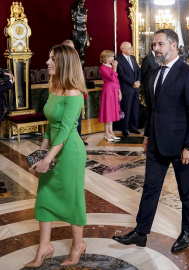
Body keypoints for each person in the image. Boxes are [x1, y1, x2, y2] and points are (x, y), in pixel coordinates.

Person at [112, 29, 189, 253]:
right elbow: (152, 110)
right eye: (154, 45)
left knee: (187, 192)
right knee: (150, 189)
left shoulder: (188, 74)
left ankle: (187, 230)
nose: (155, 49)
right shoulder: (154, 72)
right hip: (155, 143)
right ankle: (141, 232)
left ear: (173, 46)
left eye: (160, 44)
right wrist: (146, 135)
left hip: (181, 146)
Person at [24, 44, 88, 268]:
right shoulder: (54, 87)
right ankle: (45, 247)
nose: (48, 62)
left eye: (53, 59)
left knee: (72, 199)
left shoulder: (74, 93)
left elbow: (65, 130)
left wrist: (48, 159)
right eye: (49, 58)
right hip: (52, 151)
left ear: (65, 63)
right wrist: (40, 155)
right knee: (44, 196)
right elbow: (51, 126)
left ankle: (78, 245)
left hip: (70, 153)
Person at [62, 39, 88, 146]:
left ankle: (79, 137)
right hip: (67, 95)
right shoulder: (61, 63)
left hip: (78, 93)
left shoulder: (76, 61)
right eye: (71, 48)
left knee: (78, 118)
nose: (74, 51)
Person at [116, 42, 141, 137]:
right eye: (130, 48)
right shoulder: (118, 60)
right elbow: (122, 75)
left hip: (135, 88)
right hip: (127, 89)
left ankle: (134, 128)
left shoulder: (133, 58)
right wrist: (133, 83)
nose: (131, 50)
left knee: (135, 109)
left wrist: (138, 81)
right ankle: (125, 129)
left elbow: (138, 70)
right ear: (123, 49)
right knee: (126, 109)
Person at [99, 50, 122, 141]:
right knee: (107, 111)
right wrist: (115, 68)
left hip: (114, 90)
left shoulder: (111, 67)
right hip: (108, 90)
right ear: (106, 58)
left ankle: (111, 132)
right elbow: (112, 78)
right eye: (111, 57)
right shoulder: (103, 68)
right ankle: (106, 133)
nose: (113, 58)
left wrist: (119, 91)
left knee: (112, 111)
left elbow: (116, 80)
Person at [71, 0, 90, 68]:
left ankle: (81, 72)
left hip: (84, 32)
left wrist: (87, 36)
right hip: (76, 32)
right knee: (74, 54)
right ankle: (75, 71)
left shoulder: (85, 9)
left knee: (82, 54)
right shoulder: (74, 9)